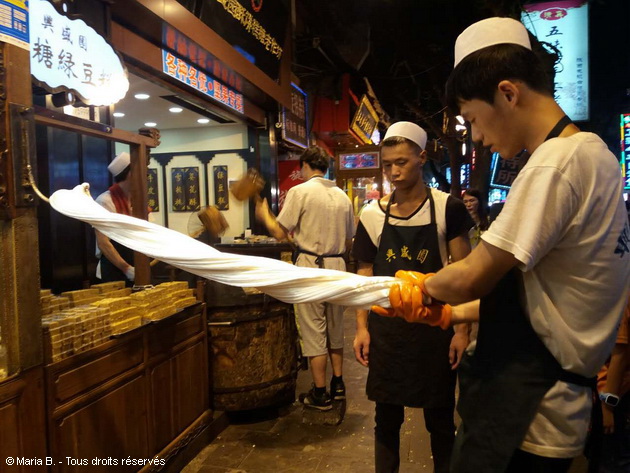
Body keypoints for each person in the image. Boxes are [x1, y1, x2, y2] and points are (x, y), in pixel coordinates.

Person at [374, 18, 630, 472]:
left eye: (472, 118)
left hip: (530, 413)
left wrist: (422, 288)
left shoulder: (556, 164)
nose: (475, 136)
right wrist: (452, 313)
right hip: (547, 402)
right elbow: (543, 297)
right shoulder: (598, 156)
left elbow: (473, 273)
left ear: (508, 93)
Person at [352, 121, 472, 473]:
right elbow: (364, 276)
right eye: (387, 164)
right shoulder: (372, 214)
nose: (393, 171)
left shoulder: (447, 206)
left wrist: (462, 331)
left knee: (439, 420)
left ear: (422, 158)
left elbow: (463, 275)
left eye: (401, 162)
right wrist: (362, 328)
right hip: (387, 332)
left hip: (435, 328)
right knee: (385, 419)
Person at [255, 146, 355, 410]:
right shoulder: (342, 196)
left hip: (311, 265)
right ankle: (339, 384)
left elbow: (279, 232)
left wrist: (264, 213)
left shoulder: (300, 191)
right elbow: (349, 237)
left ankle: (320, 393)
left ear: (305, 167)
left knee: (313, 330)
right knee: (335, 327)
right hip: (338, 267)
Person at [597, 297, 630, 473]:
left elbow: (620, 354)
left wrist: (607, 405)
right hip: (620, 391)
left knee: (611, 460)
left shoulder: (624, 296)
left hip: (615, 392)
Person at [95, 151, 136, 285]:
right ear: (130, 174)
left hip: (137, 266)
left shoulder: (138, 201)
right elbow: (103, 243)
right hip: (114, 270)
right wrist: (126, 268)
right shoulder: (105, 201)